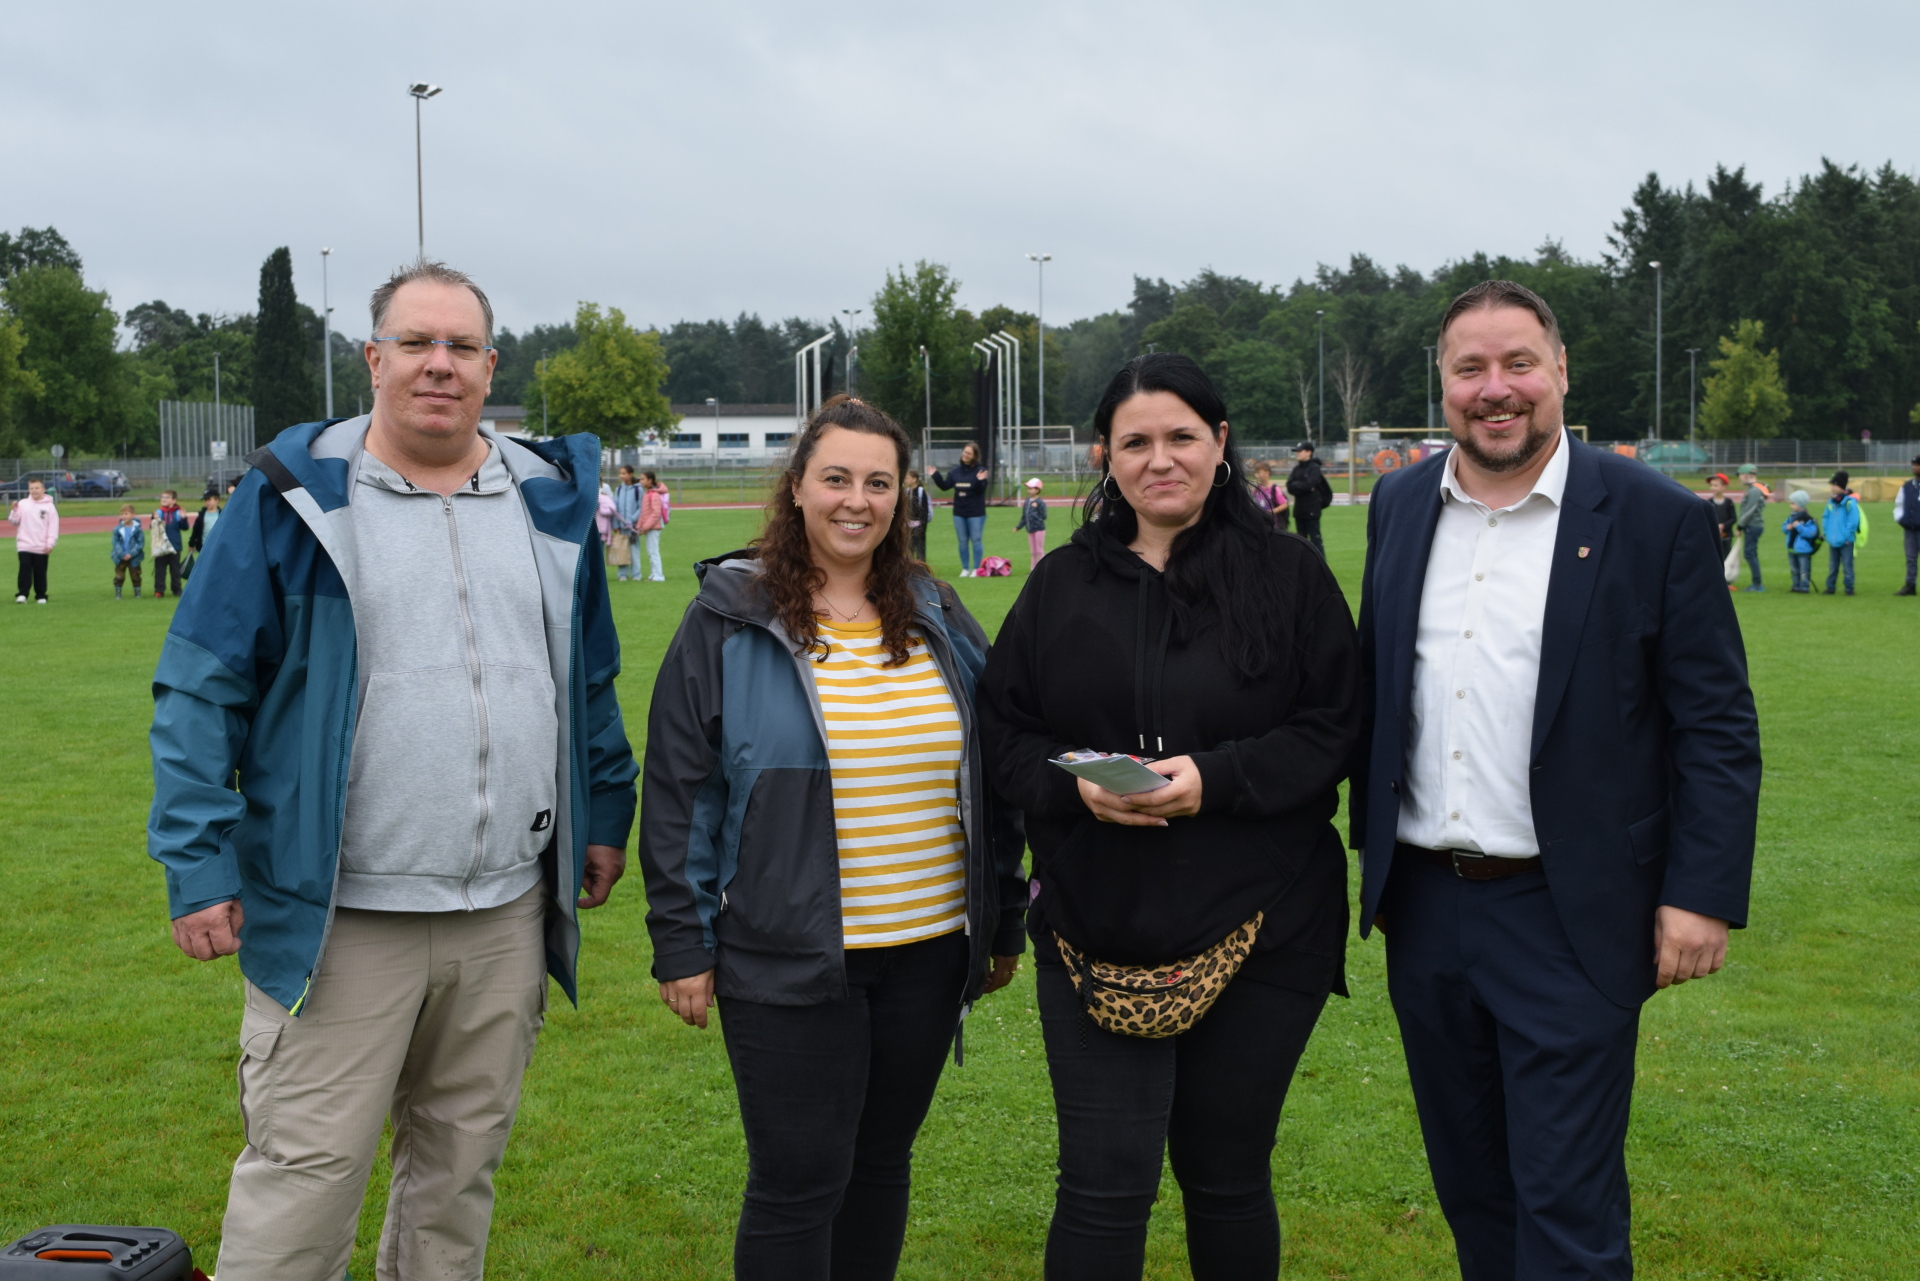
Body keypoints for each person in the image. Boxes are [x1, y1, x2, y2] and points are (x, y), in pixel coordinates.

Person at [149, 260, 638, 1281]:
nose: (438, 365)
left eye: (461, 347)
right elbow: (201, 688)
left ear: (490, 366)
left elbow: (586, 680)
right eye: (415, 343)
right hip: (341, 922)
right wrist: (196, 862)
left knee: (453, 1190)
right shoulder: (290, 503)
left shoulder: (546, 503)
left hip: (503, 915)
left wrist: (604, 813)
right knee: (302, 1193)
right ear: (373, 360)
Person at [1352, 281, 1759, 1281]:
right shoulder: (1403, 505)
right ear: (1442, 384)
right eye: (1471, 369)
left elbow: (1716, 727)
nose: (1498, 391)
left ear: (1561, 372)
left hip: (1570, 915)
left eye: (1519, 365)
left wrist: (1697, 894)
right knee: (1474, 1191)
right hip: (1426, 910)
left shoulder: (1656, 520)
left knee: (1567, 1207)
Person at [980, 354, 1361, 1281]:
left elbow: (1334, 729)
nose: (1161, 459)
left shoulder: (1291, 574)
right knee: (1102, 1185)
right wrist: (1078, 788)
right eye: (1136, 441)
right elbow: (1003, 731)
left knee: (1226, 1173)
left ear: (1219, 443)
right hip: (1094, 924)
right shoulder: (1062, 585)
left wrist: (1217, 778)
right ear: (1105, 455)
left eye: (1182, 436)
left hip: (1265, 921)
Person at [637, 394, 1027, 1280]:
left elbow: (998, 771)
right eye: (837, 478)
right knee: (796, 1181)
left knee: (881, 1164)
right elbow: (677, 790)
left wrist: (1003, 925)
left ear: (904, 495)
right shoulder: (731, 615)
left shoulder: (934, 610)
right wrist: (680, 939)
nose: (858, 500)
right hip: (786, 955)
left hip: (928, 951)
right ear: (798, 488)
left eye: (879, 482)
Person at [931, 440, 990, 574]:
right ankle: (965, 568)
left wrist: (980, 481)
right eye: (965, 452)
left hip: (976, 512)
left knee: (976, 540)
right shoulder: (955, 472)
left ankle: (976, 568)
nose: (965, 455)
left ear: (975, 456)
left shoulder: (980, 471)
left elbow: (981, 490)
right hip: (959, 512)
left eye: (969, 453)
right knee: (962, 541)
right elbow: (945, 486)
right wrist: (936, 475)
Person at [8, 476, 58, 603]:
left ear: (43, 489)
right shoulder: (23, 504)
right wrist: (14, 511)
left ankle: (41, 595)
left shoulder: (49, 507)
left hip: (41, 546)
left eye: (37, 488)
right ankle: (22, 594)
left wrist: (50, 543)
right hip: (24, 544)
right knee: (24, 569)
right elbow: (14, 521)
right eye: (31, 488)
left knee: (40, 572)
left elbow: (53, 527)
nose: (34, 490)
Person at [1285, 440, 1332, 555]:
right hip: (1299, 510)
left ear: (1309, 452)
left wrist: (1299, 486)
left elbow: (1309, 484)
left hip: (1312, 510)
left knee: (1315, 540)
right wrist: (1301, 486)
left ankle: (1321, 567)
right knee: (1301, 541)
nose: (1297, 453)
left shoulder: (1314, 467)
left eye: (1300, 451)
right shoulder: (1297, 469)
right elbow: (1289, 486)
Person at [1822, 470, 1861, 596]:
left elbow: (1853, 521)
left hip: (1846, 541)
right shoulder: (1831, 502)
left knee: (1847, 566)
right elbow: (1825, 517)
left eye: (1835, 485)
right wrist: (1827, 532)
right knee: (1833, 566)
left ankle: (1849, 588)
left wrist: (1846, 535)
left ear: (1842, 487)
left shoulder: (1849, 503)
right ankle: (1830, 587)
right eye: (1832, 485)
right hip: (1833, 540)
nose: (1832, 488)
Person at [1736, 466, 1768, 591]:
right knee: (1751, 554)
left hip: (1752, 526)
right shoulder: (1754, 489)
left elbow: (1750, 510)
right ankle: (1756, 583)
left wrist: (1740, 525)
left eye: (1739, 475)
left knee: (1750, 554)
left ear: (1745, 475)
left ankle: (1757, 584)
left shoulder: (1754, 490)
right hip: (1753, 526)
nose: (1739, 478)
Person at [1781, 490, 1820, 593]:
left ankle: (1804, 586)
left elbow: (1811, 533)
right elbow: (1783, 527)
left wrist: (1799, 526)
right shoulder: (1791, 517)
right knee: (1794, 569)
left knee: (1804, 570)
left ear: (1800, 504)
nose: (1791, 506)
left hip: (1803, 549)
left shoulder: (1808, 519)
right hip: (1792, 548)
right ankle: (1796, 585)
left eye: (1793, 504)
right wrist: (1787, 528)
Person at [150, 489, 186, 598]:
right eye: (162, 497)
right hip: (161, 546)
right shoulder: (158, 512)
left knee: (175, 570)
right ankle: (159, 590)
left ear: (174, 500)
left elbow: (185, 527)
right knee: (160, 570)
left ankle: (177, 590)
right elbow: (152, 528)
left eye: (167, 497)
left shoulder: (177, 512)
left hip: (175, 546)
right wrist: (155, 520)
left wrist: (183, 518)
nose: (164, 499)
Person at [1894, 454, 1920, 595]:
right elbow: (1899, 505)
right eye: (1914, 465)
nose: (1915, 467)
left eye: (1917, 465)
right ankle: (1910, 585)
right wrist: (1900, 519)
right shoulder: (1907, 486)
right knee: (1910, 558)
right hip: (1910, 529)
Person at [613, 464, 644, 582]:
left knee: (634, 551)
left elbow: (641, 507)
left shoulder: (638, 489)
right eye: (620, 473)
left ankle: (636, 574)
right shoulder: (619, 489)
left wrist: (632, 521)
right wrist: (616, 524)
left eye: (624, 473)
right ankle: (622, 574)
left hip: (633, 527)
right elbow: (615, 508)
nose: (621, 476)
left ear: (630, 474)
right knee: (622, 550)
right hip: (621, 527)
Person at [637, 469, 666, 581]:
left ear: (650, 480)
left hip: (653, 528)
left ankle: (658, 574)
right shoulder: (647, 493)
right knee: (650, 551)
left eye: (643, 479)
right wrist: (640, 526)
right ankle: (654, 573)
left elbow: (656, 513)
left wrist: (645, 527)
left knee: (653, 551)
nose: (641, 481)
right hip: (649, 528)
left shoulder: (653, 495)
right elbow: (644, 512)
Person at [112, 503, 145, 599]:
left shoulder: (137, 530)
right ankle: (118, 593)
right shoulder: (117, 529)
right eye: (122, 514)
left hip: (134, 558)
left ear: (133, 515)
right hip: (120, 557)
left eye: (126, 514)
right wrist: (122, 554)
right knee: (119, 576)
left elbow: (140, 543)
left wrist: (131, 554)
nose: (124, 516)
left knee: (136, 576)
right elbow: (116, 542)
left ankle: (137, 593)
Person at [1015, 476, 1049, 570]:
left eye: (1031, 488)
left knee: (1039, 550)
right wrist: (1018, 527)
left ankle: (1044, 569)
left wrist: (1035, 516)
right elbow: (1024, 516)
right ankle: (1033, 570)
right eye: (1028, 489)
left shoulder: (1040, 502)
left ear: (1037, 490)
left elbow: (1044, 516)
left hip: (1039, 529)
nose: (1029, 491)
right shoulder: (1026, 501)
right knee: (1033, 552)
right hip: (1030, 529)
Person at [1705, 473, 1737, 567]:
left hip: (1726, 536)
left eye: (1716, 485)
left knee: (1726, 559)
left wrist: (1723, 525)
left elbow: (1733, 518)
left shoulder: (1728, 502)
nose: (1712, 488)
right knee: (1713, 559)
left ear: (1724, 487)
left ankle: (1725, 579)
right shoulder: (1709, 503)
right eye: (1711, 485)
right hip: (1713, 537)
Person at [1250, 459, 1289, 532]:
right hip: (1260, 522)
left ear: (1267, 473)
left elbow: (1284, 505)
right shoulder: (1257, 489)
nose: (1256, 475)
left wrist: (1271, 511)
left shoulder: (1275, 489)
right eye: (1256, 473)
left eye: (1259, 472)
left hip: (1274, 524)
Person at [905, 468, 931, 561]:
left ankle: (921, 569)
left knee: (920, 549)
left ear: (914, 479)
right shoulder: (907, 491)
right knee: (909, 549)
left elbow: (925, 510)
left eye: (907, 478)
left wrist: (923, 527)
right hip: (908, 525)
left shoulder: (920, 491)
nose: (906, 480)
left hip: (919, 525)